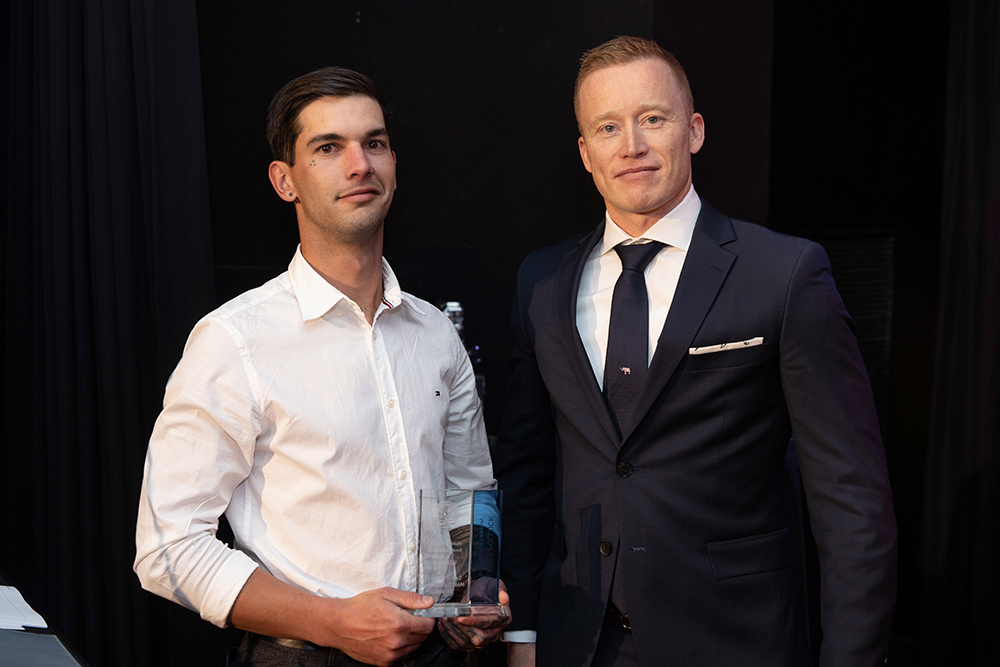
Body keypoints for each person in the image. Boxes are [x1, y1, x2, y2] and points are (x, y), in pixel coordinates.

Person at [494, 36, 897, 667]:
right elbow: (526, 473)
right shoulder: (541, 284)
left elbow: (852, 504)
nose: (631, 145)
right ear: (585, 152)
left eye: (653, 119)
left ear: (695, 130)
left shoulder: (784, 275)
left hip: (735, 641)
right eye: (608, 127)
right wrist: (522, 632)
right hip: (578, 643)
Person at [134, 66, 509, 667]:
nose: (360, 165)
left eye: (375, 143)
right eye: (328, 148)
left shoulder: (435, 334)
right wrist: (332, 622)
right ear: (285, 182)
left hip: (443, 656)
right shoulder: (235, 340)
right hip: (303, 657)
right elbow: (167, 547)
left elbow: (468, 493)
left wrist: (477, 593)